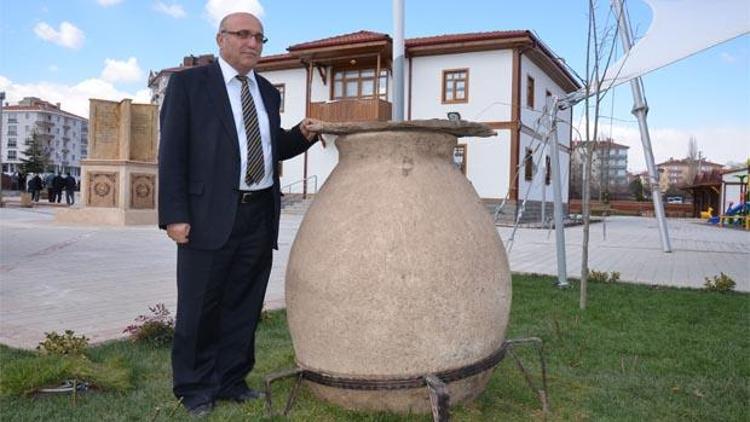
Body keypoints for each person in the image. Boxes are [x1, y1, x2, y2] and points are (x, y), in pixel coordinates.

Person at [158, 12, 320, 417]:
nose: (252, 43)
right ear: (221, 39)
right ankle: (194, 388)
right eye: (243, 34)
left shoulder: (267, 92)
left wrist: (301, 135)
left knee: (244, 305)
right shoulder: (189, 85)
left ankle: (231, 380)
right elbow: (173, 153)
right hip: (206, 216)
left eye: (260, 38)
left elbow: (267, 148)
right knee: (199, 306)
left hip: (257, 216)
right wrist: (174, 215)